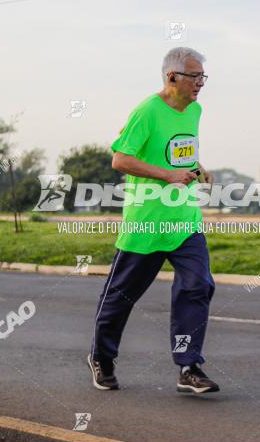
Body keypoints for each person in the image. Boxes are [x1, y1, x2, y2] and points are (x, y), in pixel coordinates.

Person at [87, 47, 219, 394]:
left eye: (203, 76)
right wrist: (166, 175)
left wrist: (198, 169)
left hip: (184, 221)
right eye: (195, 77)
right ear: (172, 77)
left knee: (198, 286)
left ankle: (189, 366)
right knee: (120, 296)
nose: (201, 84)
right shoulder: (147, 111)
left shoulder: (194, 110)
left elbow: (181, 151)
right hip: (146, 221)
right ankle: (101, 357)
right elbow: (120, 159)